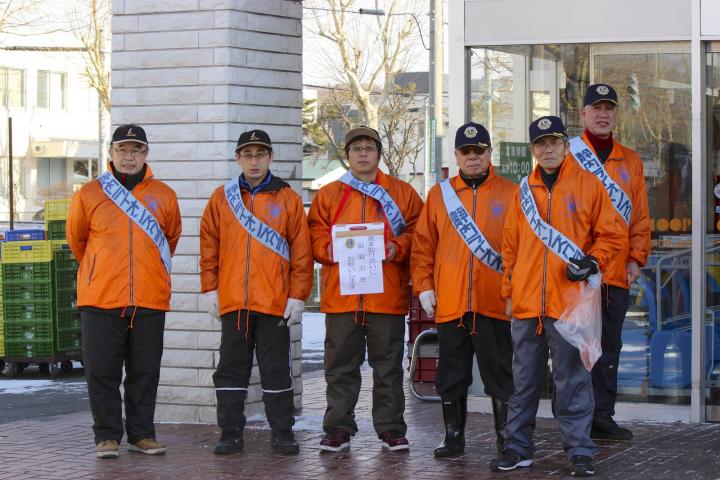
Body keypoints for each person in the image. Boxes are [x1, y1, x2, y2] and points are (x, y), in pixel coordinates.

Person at [491, 116, 625, 477]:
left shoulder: (589, 185)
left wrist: (593, 260)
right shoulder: (523, 191)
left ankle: (580, 451)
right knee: (523, 383)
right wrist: (509, 292)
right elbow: (510, 248)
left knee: (572, 381)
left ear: (566, 146)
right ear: (533, 150)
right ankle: (517, 447)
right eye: (540, 144)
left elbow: (613, 236)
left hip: (569, 305)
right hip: (526, 304)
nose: (547, 150)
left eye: (554, 143)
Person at [66, 124, 182, 459]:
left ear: (145, 154)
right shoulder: (89, 194)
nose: (128, 157)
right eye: (122, 150)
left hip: (149, 296)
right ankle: (106, 436)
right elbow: (78, 241)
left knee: (145, 370)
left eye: (136, 150)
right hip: (101, 297)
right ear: (111, 153)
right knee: (102, 371)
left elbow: (170, 239)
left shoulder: (164, 194)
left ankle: (142, 434)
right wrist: (102, 269)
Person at [307, 126, 423, 452]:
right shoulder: (329, 194)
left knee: (387, 367)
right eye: (356, 148)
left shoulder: (402, 193)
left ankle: (390, 428)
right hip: (342, 298)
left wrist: (396, 247)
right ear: (347, 156)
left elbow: (420, 233)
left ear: (378, 154)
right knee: (340, 367)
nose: (362, 153)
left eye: (368, 148)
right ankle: (338, 428)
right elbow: (313, 232)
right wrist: (326, 250)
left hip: (385, 296)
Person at [200, 129, 313, 455]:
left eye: (260, 154)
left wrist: (298, 295)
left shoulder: (288, 199)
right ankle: (231, 433)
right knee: (231, 371)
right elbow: (209, 246)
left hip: (274, 303)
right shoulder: (222, 198)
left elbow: (302, 252)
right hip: (234, 302)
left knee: (276, 370)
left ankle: (282, 432)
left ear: (270, 158)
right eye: (247, 155)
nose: (254, 161)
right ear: (238, 158)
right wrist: (210, 289)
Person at [411, 122, 515, 457]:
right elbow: (423, 247)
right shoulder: (439, 195)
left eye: (479, 150)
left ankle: (505, 437)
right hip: (452, 302)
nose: (473, 157)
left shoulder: (511, 193)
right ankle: (453, 436)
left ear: (489, 153)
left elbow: (520, 250)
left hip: (494, 302)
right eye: (466, 151)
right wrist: (425, 286)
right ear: (456, 155)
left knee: (499, 373)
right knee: (451, 373)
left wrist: (513, 292)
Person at [568, 84, 651, 440]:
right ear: (583, 114)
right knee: (575, 346)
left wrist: (636, 258)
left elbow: (642, 218)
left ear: (616, 114)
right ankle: (574, 416)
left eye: (609, 109)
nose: (602, 115)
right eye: (595, 108)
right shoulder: (568, 154)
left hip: (615, 271)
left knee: (609, 346)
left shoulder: (630, 160)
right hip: (573, 271)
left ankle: (602, 415)